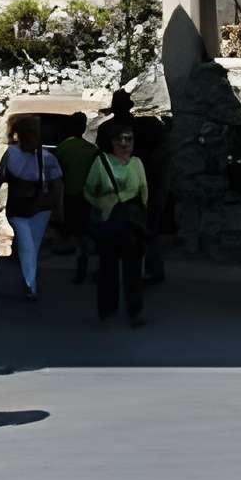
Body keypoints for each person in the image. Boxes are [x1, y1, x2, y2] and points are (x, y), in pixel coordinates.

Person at [83, 123, 151, 327]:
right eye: (119, 139)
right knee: (107, 268)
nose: (124, 143)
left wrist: (141, 217)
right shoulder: (101, 162)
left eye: (128, 139)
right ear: (111, 142)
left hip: (131, 224)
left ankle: (135, 311)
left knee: (133, 270)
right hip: (109, 221)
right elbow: (88, 190)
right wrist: (103, 205)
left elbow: (144, 192)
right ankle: (107, 309)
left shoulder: (137, 163)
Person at [0, 116, 61, 300]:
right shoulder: (11, 154)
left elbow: (56, 184)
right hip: (18, 209)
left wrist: (58, 207)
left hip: (40, 209)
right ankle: (31, 285)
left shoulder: (46, 158)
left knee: (32, 246)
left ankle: (29, 280)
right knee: (27, 244)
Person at [52, 113, 101, 284]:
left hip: (71, 196)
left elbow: (57, 176)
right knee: (90, 233)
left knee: (79, 235)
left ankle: (81, 268)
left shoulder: (63, 148)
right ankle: (95, 267)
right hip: (91, 197)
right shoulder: (92, 149)